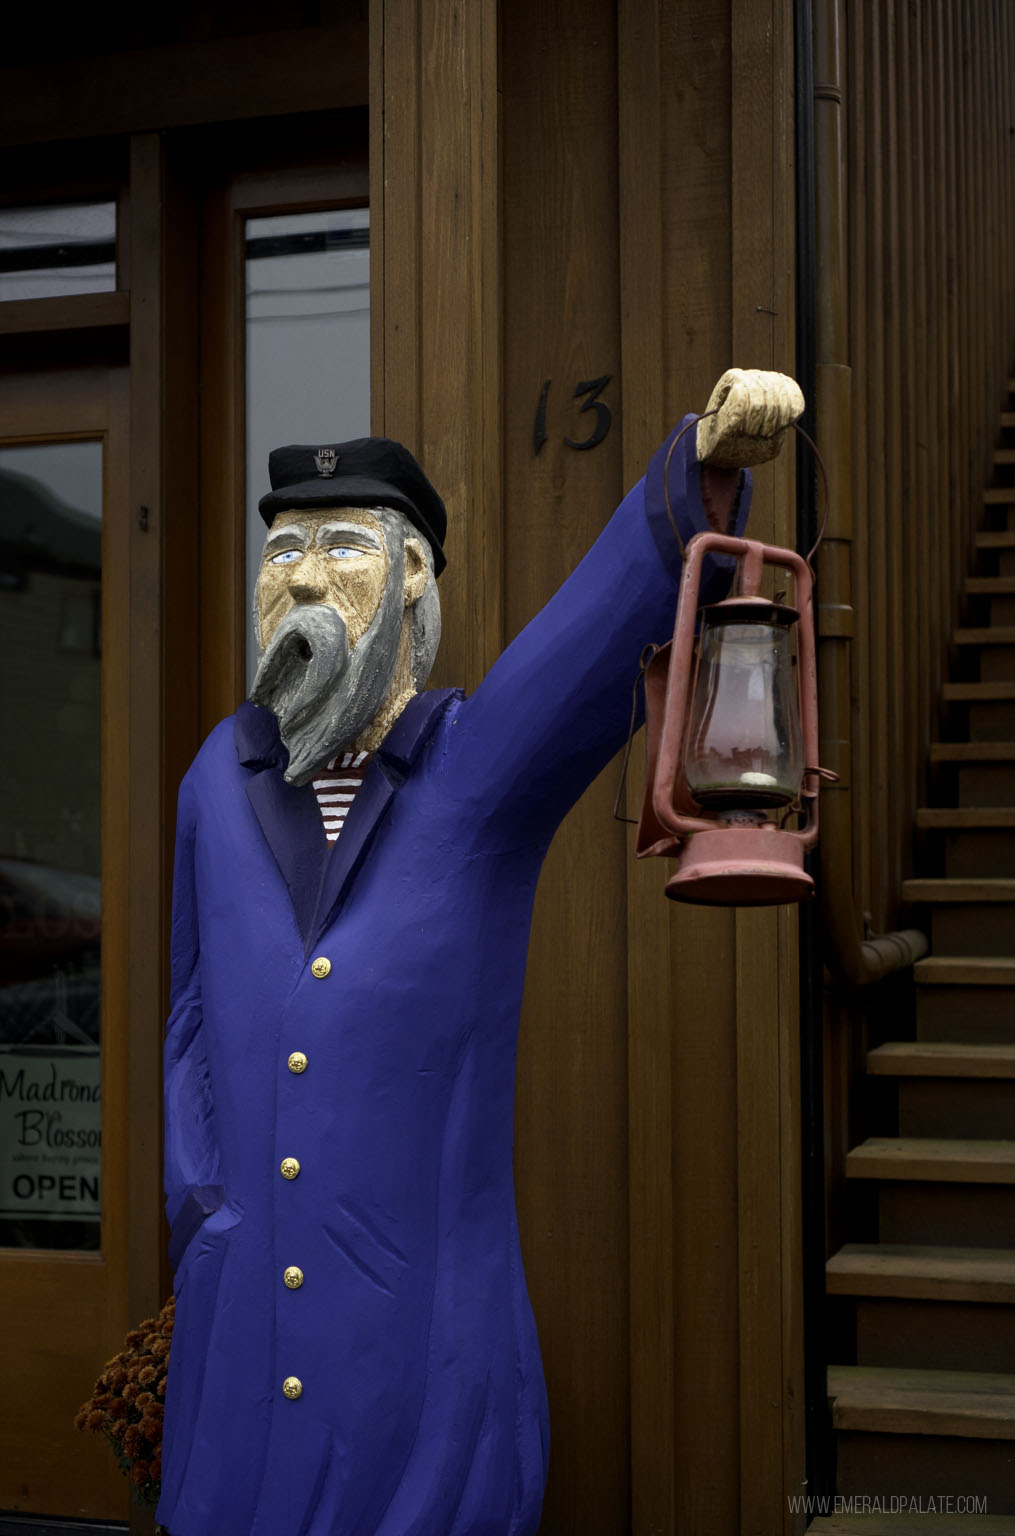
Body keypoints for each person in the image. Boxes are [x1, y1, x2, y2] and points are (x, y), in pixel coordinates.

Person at [158, 371, 803, 1536]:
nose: (300, 577)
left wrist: (701, 467)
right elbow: (191, 1016)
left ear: (411, 580)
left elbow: (587, 638)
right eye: (282, 550)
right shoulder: (218, 775)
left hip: (420, 1347)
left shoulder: (470, 770)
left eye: (342, 545)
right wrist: (203, 1211)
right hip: (239, 1344)